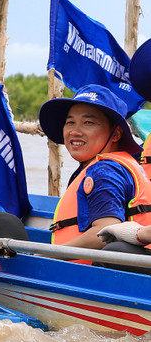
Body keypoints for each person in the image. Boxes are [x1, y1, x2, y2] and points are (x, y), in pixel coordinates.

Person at [32, 85, 151, 251]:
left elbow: (104, 234)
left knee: (1, 223)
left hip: (86, 272)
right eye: (70, 122)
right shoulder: (116, 164)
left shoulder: (104, 171)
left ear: (116, 134)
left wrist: (45, 257)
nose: (75, 131)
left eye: (88, 122)